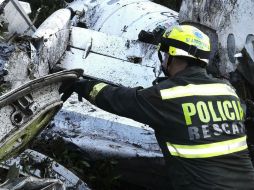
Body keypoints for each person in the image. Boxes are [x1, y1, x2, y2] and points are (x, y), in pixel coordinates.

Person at [60, 25, 254, 189]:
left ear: (171, 55)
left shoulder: (168, 95)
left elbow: (118, 99)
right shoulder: (228, 91)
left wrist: (82, 85)